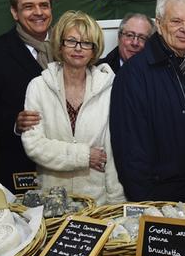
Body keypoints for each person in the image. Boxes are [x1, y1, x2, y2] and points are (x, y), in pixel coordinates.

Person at [21, 11, 125, 205]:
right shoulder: (38, 87)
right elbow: (35, 146)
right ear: (60, 45)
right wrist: (85, 156)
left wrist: (116, 203)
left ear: (94, 50)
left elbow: (112, 151)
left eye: (86, 43)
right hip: (52, 202)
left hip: (96, 202)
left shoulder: (109, 89)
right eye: (71, 41)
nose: (78, 48)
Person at [111, 0, 185, 201]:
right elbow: (129, 150)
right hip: (157, 197)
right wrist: (146, 204)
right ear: (159, 25)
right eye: (176, 21)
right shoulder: (134, 74)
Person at [0, 0, 53, 192]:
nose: (38, 12)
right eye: (28, 6)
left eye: (43, 5)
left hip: (65, 168)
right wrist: (14, 122)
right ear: (14, 12)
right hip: (19, 167)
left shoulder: (66, 49)